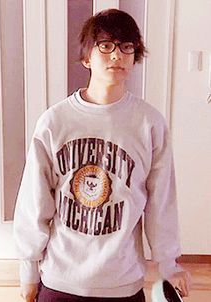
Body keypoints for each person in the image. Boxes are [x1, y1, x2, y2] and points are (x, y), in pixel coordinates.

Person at [13, 8, 191, 302]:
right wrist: (28, 271)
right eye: (105, 46)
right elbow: (34, 202)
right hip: (61, 279)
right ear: (86, 58)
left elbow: (162, 203)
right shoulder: (54, 122)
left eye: (126, 47)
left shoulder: (150, 124)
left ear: (135, 58)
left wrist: (168, 264)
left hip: (123, 283)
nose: (116, 55)